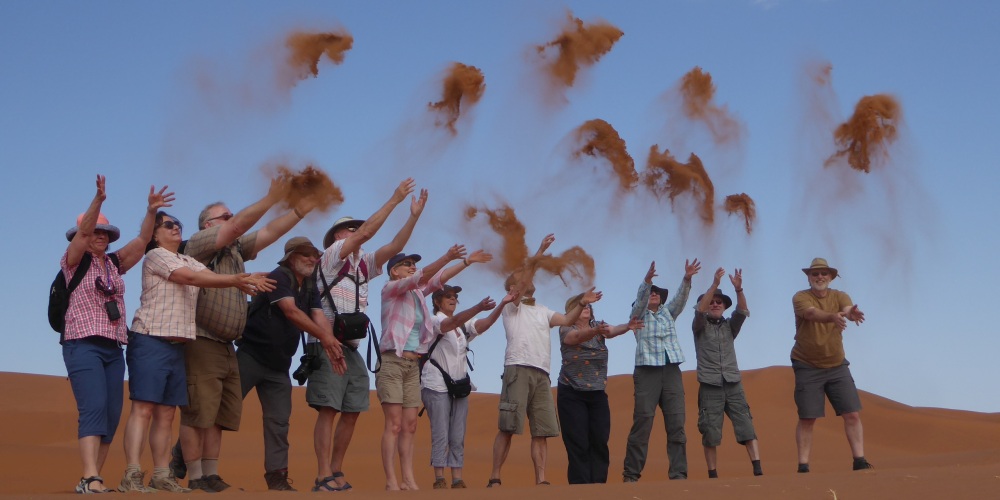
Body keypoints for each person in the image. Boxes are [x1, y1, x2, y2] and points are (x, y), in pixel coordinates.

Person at [172, 178, 314, 492]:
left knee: (219, 413)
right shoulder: (199, 244)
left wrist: (301, 209)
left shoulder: (235, 251)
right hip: (203, 338)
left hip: (226, 345)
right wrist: (270, 196)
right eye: (225, 216)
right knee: (200, 412)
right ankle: (194, 476)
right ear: (209, 224)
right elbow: (237, 226)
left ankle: (210, 474)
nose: (232, 219)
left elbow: (271, 232)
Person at [118, 211, 273, 493]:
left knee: (166, 414)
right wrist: (237, 280)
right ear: (154, 234)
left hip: (178, 346)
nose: (176, 227)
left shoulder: (187, 258)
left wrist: (246, 278)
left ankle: (162, 474)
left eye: (178, 223)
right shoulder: (155, 256)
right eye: (168, 225)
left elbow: (210, 277)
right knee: (143, 409)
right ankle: (132, 473)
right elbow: (190, 278)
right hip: (150, 339)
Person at [308, 179, 425, 492]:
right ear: (336, 236)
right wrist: (393, 199)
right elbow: (367, 233)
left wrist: (412, 216)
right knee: (329, 409)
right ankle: (322, 476)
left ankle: (335, 471)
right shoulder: (333, 255)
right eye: (349, 229)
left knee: (352, 411)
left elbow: (394, 248)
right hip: (326, 341)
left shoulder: (363, 264)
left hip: (352, 347)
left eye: (355, 228)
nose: (356, 231)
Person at [60, 175, 173, 494]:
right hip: (82, 343)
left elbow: (142, 240)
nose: (99, 235)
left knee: (111, 414)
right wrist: (98, 201)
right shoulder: (73, 262)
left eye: (104, 232)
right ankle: (88, 476)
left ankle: (95, 477)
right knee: (93, 407)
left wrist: (151, 211)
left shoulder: (113, 263)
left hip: (113, 346)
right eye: (95, 230)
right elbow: (83, 233)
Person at [488, 234, 602, 488]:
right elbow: (524, 279)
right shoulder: (511, 305)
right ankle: (495, 476)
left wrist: (582, 302)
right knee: (508, 426)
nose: (529, 281)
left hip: (542, 374)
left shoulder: (542, 310)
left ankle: (541, 479)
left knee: (541, 430)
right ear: (512, 288)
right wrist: (539, 251)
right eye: (521, 280)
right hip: (517, 368)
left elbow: (567, 320)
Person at [235, 237, 346, 491]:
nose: (312, 258)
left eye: (315, 254)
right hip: (250, 357)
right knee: (222, 409)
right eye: (305, 254)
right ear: (290, 257)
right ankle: (185, 460)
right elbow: (291, 311)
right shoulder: (279, 277)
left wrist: (330, 343)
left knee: (279, 421)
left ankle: (277, 478)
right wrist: (327, 339)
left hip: (279, 366)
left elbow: (318, 316)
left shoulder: (309, 286)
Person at [377, 246, 492, 490]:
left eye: (413, 262)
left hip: (412, 365)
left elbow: (438, 279)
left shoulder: (417, 294)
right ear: (394, 272)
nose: (412, 266)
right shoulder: (390, 289)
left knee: (410, 425)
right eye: (406, 263)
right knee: (394, 424)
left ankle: (408, 479)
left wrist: (467, 262)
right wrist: (448, 256)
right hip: (393, 361)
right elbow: (424, 275)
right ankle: (391, 481)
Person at [421, 285, 510, 489]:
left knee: (458, 433)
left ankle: (457, 478)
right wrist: (479, 306)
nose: (453, 299)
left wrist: (502, 304)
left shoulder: (462, 326)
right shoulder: (434, 320)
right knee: (441, 432)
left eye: (455, 297)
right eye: (448, 297)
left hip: (459, 385)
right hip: (435, 384)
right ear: (436, 302)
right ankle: (439, 478)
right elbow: (451, 322)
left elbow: (484, 324)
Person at [623, 258, 701, 482]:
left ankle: (678, 474)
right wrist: (647, 282)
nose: (654, 294)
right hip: (647, 371)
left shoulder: (668, 313)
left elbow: (680, 299)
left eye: (657, 292)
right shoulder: (637, 316)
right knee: (643, 421)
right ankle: (631, 475)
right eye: (651, 292)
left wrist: (687, 278)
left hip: (671, 370)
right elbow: (639, 302)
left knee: (677, 423)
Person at [791, 258, 870, 473]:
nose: (819, 277)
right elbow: (810, 313)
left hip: (836, 364)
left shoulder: (840, 296)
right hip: (807, 364)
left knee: (852, 413)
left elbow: (846, 308)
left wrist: (849, 314)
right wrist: (832, 317)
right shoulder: (801, 297)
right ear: (809, 277)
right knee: (808, 417)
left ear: (831, 277)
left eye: (824, 273)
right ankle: (803, 465)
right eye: (815, 274)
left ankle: (860, 460)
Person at [557, 293, 641, 485]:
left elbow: (613, 330)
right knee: (578, 442)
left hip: (597, 394)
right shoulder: (565, 328)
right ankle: (581, 488)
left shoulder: (600, 328)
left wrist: (627, 327)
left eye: (588, 306)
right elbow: (575, 338)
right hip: (572, 393)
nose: (587, 308)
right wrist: (595, 331)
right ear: (573, 311)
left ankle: (598, 487)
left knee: (599, 441)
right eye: (582, 305)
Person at [692, 267, 762, 478]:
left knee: (746, 425)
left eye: (719, 302)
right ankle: (713, 474)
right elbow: (699, 312)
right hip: (709, 384)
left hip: (733, 383)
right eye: (712, 301)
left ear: (723, 307)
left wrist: (739, 290)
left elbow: (742, 311)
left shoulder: (730, 326)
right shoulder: (699, 326)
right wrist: (714, 285)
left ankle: (758, 469)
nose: (714, 304)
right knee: (710, 431)